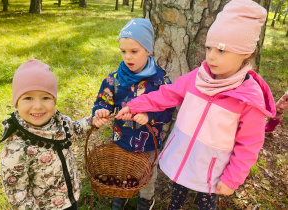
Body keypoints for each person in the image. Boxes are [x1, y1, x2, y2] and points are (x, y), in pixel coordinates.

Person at [116, 0, 276, 209]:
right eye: (209, 47)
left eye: (221, 50)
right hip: (184, 156)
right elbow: (168, 94)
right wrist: (137, 105)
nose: (210, 56)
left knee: (206, 202)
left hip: (211, 169)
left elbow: (250, 144)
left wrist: (232, 179)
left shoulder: (248, 99)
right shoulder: (198, 77)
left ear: (245, 52)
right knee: (178, 193)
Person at [92, 18, 174, 210]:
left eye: (134, 51)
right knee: (121, 169)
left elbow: (169, 111)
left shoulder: (160, 81)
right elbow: (102, 101)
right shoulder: (114, 80)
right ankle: (123, 191)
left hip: (149, 142)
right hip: (122, 138)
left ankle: (146, 199)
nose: (128, 57)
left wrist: (150, 117)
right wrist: (101, 111)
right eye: (123, 51)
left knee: (147, 174)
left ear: (148, 50)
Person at [0, 59, 102, 210]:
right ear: (16, 103)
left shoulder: (59, 122)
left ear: (54, 100)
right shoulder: (16, 148)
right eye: (28, 98)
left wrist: (92, 122)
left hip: (70, 197)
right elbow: (17, 193)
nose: (38, 106)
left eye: (46, 98)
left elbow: (75, 129)